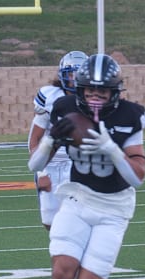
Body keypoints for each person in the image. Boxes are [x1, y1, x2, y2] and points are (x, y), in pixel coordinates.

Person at [28, 54, 145, 279]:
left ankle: (84, 265)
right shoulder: (65, 109)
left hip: (114, 207)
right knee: (60, 273)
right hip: (77, 197)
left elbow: (137, 180)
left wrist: (112, 149)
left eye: (102, 92)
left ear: (114, 92)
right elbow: (34, 165)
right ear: (79, 90)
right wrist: (48, 142)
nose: (95, 98)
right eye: (90, 91)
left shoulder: (129, 117)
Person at [28, 50, 88, 229]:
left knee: (73, 216)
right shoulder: (50, 96)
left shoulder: (91, 99)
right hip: (50, 163)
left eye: (79, 74)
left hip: (75, 164)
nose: (74, 79)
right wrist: (42, 173)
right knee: (49, 222)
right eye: (71, 74)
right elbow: (34, 140)